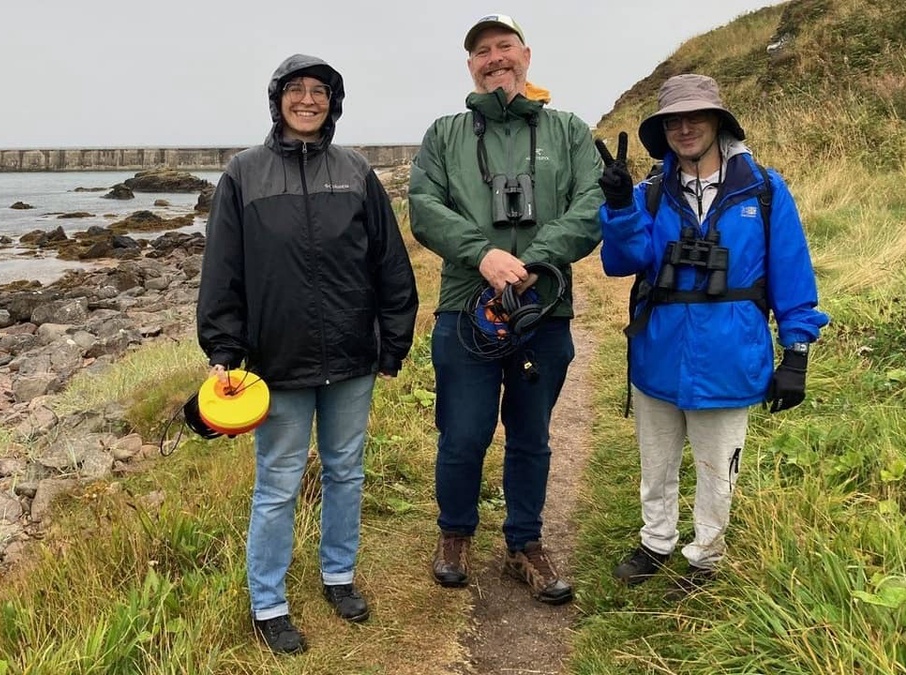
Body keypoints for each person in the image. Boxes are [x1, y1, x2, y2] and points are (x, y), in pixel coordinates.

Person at [197, 54, 419, 654]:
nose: (307, 99)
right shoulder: (243, 174)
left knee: (346, 472)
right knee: (278, 484)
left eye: (318, 90)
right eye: (295, 89)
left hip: (351, 356)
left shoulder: (355, 172)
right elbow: (223, 269)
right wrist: (224, 345)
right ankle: (268, 603)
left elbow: (390, 264)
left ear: (332, 102)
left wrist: (393, 341)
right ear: (277, 99)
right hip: (276, 362)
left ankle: (339, 576)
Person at [595, 74, 829, 593]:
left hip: (731, 355)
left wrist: (796, 355)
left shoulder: (765, 191)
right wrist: (618, 210)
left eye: (695, 116)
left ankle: (705, 554)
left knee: (717, 467)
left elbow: (792, 276)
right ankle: (656, 541)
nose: (685, 128)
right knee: (655, 464)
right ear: (663, 131)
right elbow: (621, 262)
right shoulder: (648, 195)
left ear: (718, 121)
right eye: (673, 120)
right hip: (657, 353)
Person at [408, 14, 603, 605]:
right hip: (466, 310)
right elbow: (424, 206)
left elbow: (590, 205)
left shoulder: (569, 131)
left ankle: (525, 543)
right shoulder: (444, 134)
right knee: (462, 434)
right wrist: (483, 255)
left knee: (531, 436)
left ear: (526, 54)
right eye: (482, 51)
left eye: (504, 46)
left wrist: (532, 264)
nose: (494, 58)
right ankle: (455, 534)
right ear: (470, 65)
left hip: (543, 312)